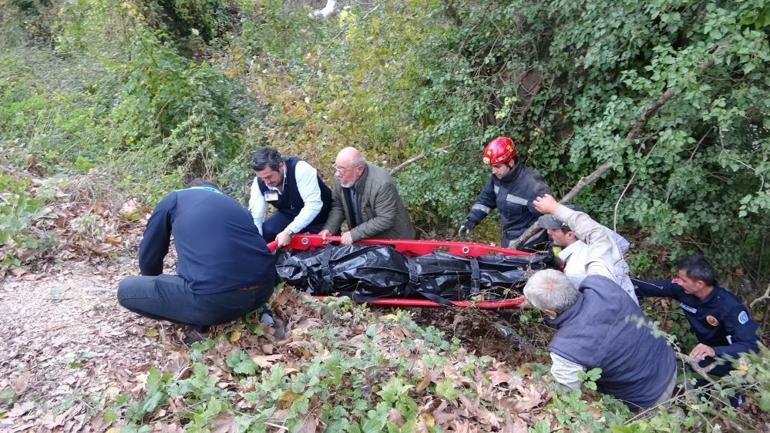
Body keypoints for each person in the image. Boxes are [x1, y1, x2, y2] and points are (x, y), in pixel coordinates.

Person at [523, 194, 676, 412]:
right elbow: (597, 234)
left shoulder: (566, 349)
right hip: (666, 362)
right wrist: (556, 208)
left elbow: (566, 402)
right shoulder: (601, 283)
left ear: (549, 311)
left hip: (647, 399)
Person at [117, 180, 277, 342]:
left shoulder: (175, 199)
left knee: (126, 290)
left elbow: (150, 254)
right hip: (264, 291)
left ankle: (201, 323)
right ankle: (255, 312)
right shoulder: (235, 206)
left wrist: (153, 283)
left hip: (216, 301)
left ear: (191, 188)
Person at [633, 255, 759, 378]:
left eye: (683, 280)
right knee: (693, 384)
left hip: (734, 358)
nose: (679, 282)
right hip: (705, 355)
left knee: (735, 391)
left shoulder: (730, 307)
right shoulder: (682, 290)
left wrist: (714, 351)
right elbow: (647, 287)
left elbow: (750, 345)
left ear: (699, 284)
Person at [458, 136, 550, 250]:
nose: (493, 171)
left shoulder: (532, 185)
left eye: (497, 166)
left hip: (531, 245)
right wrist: (470, 222)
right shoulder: (497, 178)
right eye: (492, 167)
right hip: (508, 240)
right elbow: (485, 201)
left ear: (510, 162)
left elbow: (550, 219)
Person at [319, 147, 415, 244]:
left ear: (359, 169)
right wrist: (330, 228)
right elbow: (338, 206)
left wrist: (355, 234)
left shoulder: (382, 184)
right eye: (336, 167)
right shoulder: (340, 178)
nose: (337, 174)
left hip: (393, 240)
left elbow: (385, 218)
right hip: (365, 239)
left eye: (342, 169)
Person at [538, 211, 639, 304]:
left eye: (554, 229)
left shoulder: (574, 270)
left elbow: (587, 301)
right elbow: (623, 245)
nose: (548, 232)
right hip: (628, 296)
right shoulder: (600, 234)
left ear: (570, 234)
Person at [248, 147, 332, 247]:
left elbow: (313, 205)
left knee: (324, 246)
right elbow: (256, 216)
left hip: (320, 216)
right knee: (267, 231)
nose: (267, 182)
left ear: (281, 166)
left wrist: (289, 232)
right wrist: (258, 244)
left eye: (269, 177)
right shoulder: (259, 183)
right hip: (288, 215)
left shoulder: (300, 169)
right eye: (262, 178)